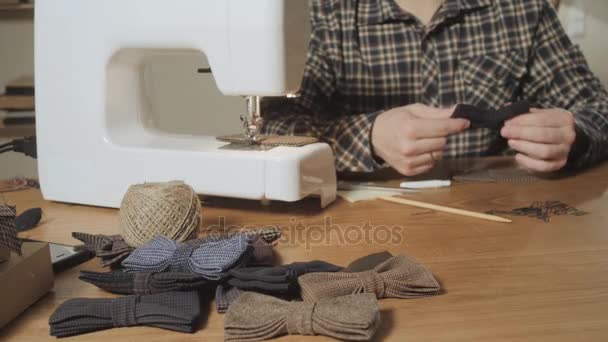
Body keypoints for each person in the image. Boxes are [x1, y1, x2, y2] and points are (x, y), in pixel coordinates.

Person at [261, 0, 608, 176]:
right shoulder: (323, 13)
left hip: (500, 224)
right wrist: (367, 136)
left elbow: (597, 108)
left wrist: (574, 136)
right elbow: (273, 129)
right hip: (361, 228)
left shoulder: (521, 8)